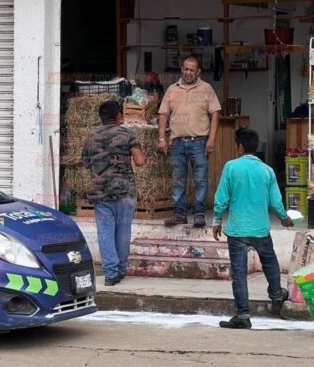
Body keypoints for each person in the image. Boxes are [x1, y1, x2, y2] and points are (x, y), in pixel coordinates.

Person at [212, 128, 293, 329]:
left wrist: (216, 220)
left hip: (237, 230)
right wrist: (284, 218)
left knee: (239, 274)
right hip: (260, 228)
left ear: (239, 146)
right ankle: (276, 295)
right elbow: (275, 201)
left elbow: (221, 198)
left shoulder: (231, 167)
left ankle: (242, 315)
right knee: (270, 262)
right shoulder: (267, 171)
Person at [83, 101, 146, 286]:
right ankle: (121, 269)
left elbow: (86, 164)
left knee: (105, 233)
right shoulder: (128, 134)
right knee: (123, 232)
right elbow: (140, 161)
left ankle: (110, 274)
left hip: (100, 194)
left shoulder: (91, 137)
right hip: (125, 192)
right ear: (119, 115)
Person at [158, 56, 222, 228]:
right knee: (178, 179)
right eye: (186, 69)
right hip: (177, 143)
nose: (188, 72)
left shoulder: (206, 88)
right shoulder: (172, 89)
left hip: (199, 142)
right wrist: (162, 138)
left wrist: (212, 139)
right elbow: (163, 114)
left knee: (200, 179)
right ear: (181, 69)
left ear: (198, 72)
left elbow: (215, 114)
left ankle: (199, 214)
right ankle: (179, 214)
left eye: (192, 70)